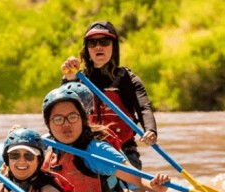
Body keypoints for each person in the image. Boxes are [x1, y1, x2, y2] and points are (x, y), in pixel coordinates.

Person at [42, 85, 171, 192]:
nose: (66, 124)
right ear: (48, 124)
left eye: (72, 117)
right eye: (58, 119)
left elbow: (137, 178)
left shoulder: (96, 150)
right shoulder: (48, 148)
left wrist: (154, 186)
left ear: (83, 119)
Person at [61, 20, 158, 169]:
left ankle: (136, 190)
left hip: (124, 150)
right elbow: (61, 109)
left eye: (104, 41)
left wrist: (150, 130)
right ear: (87, 49)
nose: (98, 46)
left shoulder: (128, 79)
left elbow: (144, 107)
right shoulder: (78, 80)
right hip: (87, 151)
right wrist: (67, 80)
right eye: (92, 43)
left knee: (134, 190)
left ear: (113, 46)